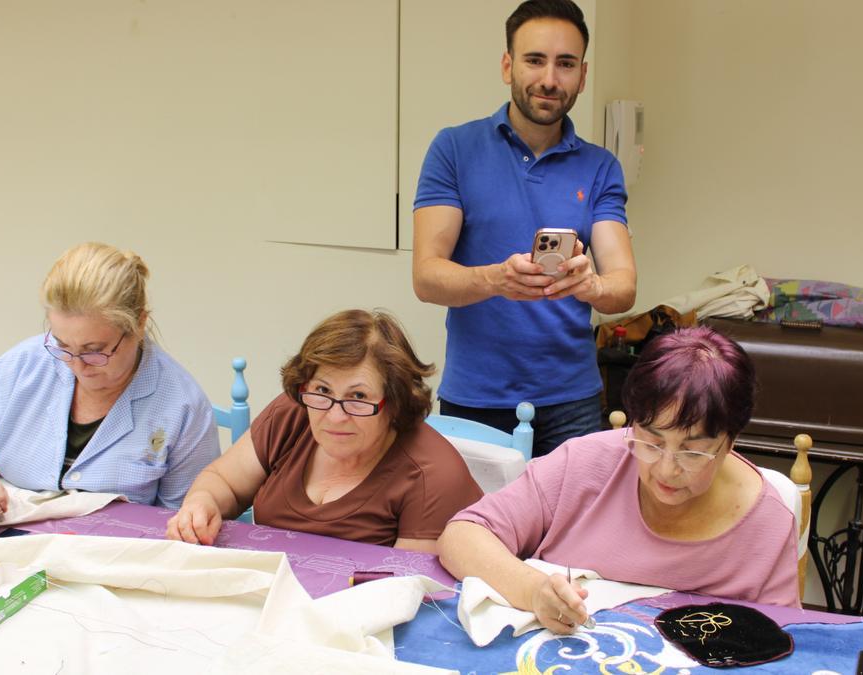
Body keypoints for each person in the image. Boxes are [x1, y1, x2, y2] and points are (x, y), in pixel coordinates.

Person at [437, 326, 801, 634]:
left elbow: (786, 643)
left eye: (692, 452)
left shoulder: (765, 521)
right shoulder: (586, 463)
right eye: (651, 442)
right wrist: (532, 591)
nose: (665, 469)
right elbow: (462, 535)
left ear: (730, 443)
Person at [412, 0, 637, 458]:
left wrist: (591, 285)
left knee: (567, 530)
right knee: (470, 529)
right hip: (474, 396)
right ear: (507, 65)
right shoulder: (454, 148)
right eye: (535, 60)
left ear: (583, 75)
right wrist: (495, 279)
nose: (550, 79)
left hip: (571, 399)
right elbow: (426, 277)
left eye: (566, 64)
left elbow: (623, 286)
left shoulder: (601, 167)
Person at [0, 242, 220, 524]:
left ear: (139, 324)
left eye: (95, 351)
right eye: (63, 345)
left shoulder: (182, 407)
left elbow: (181, 522)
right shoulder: (21, 367)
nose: (76, 366)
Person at [166, 309, 483, 553]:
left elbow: (408, 590)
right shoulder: (295, 412)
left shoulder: (432, 475)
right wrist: (202, 502)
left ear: (396, 402)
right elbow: (226, 482)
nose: (334, 415)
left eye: (358, 397)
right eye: (322, 389)